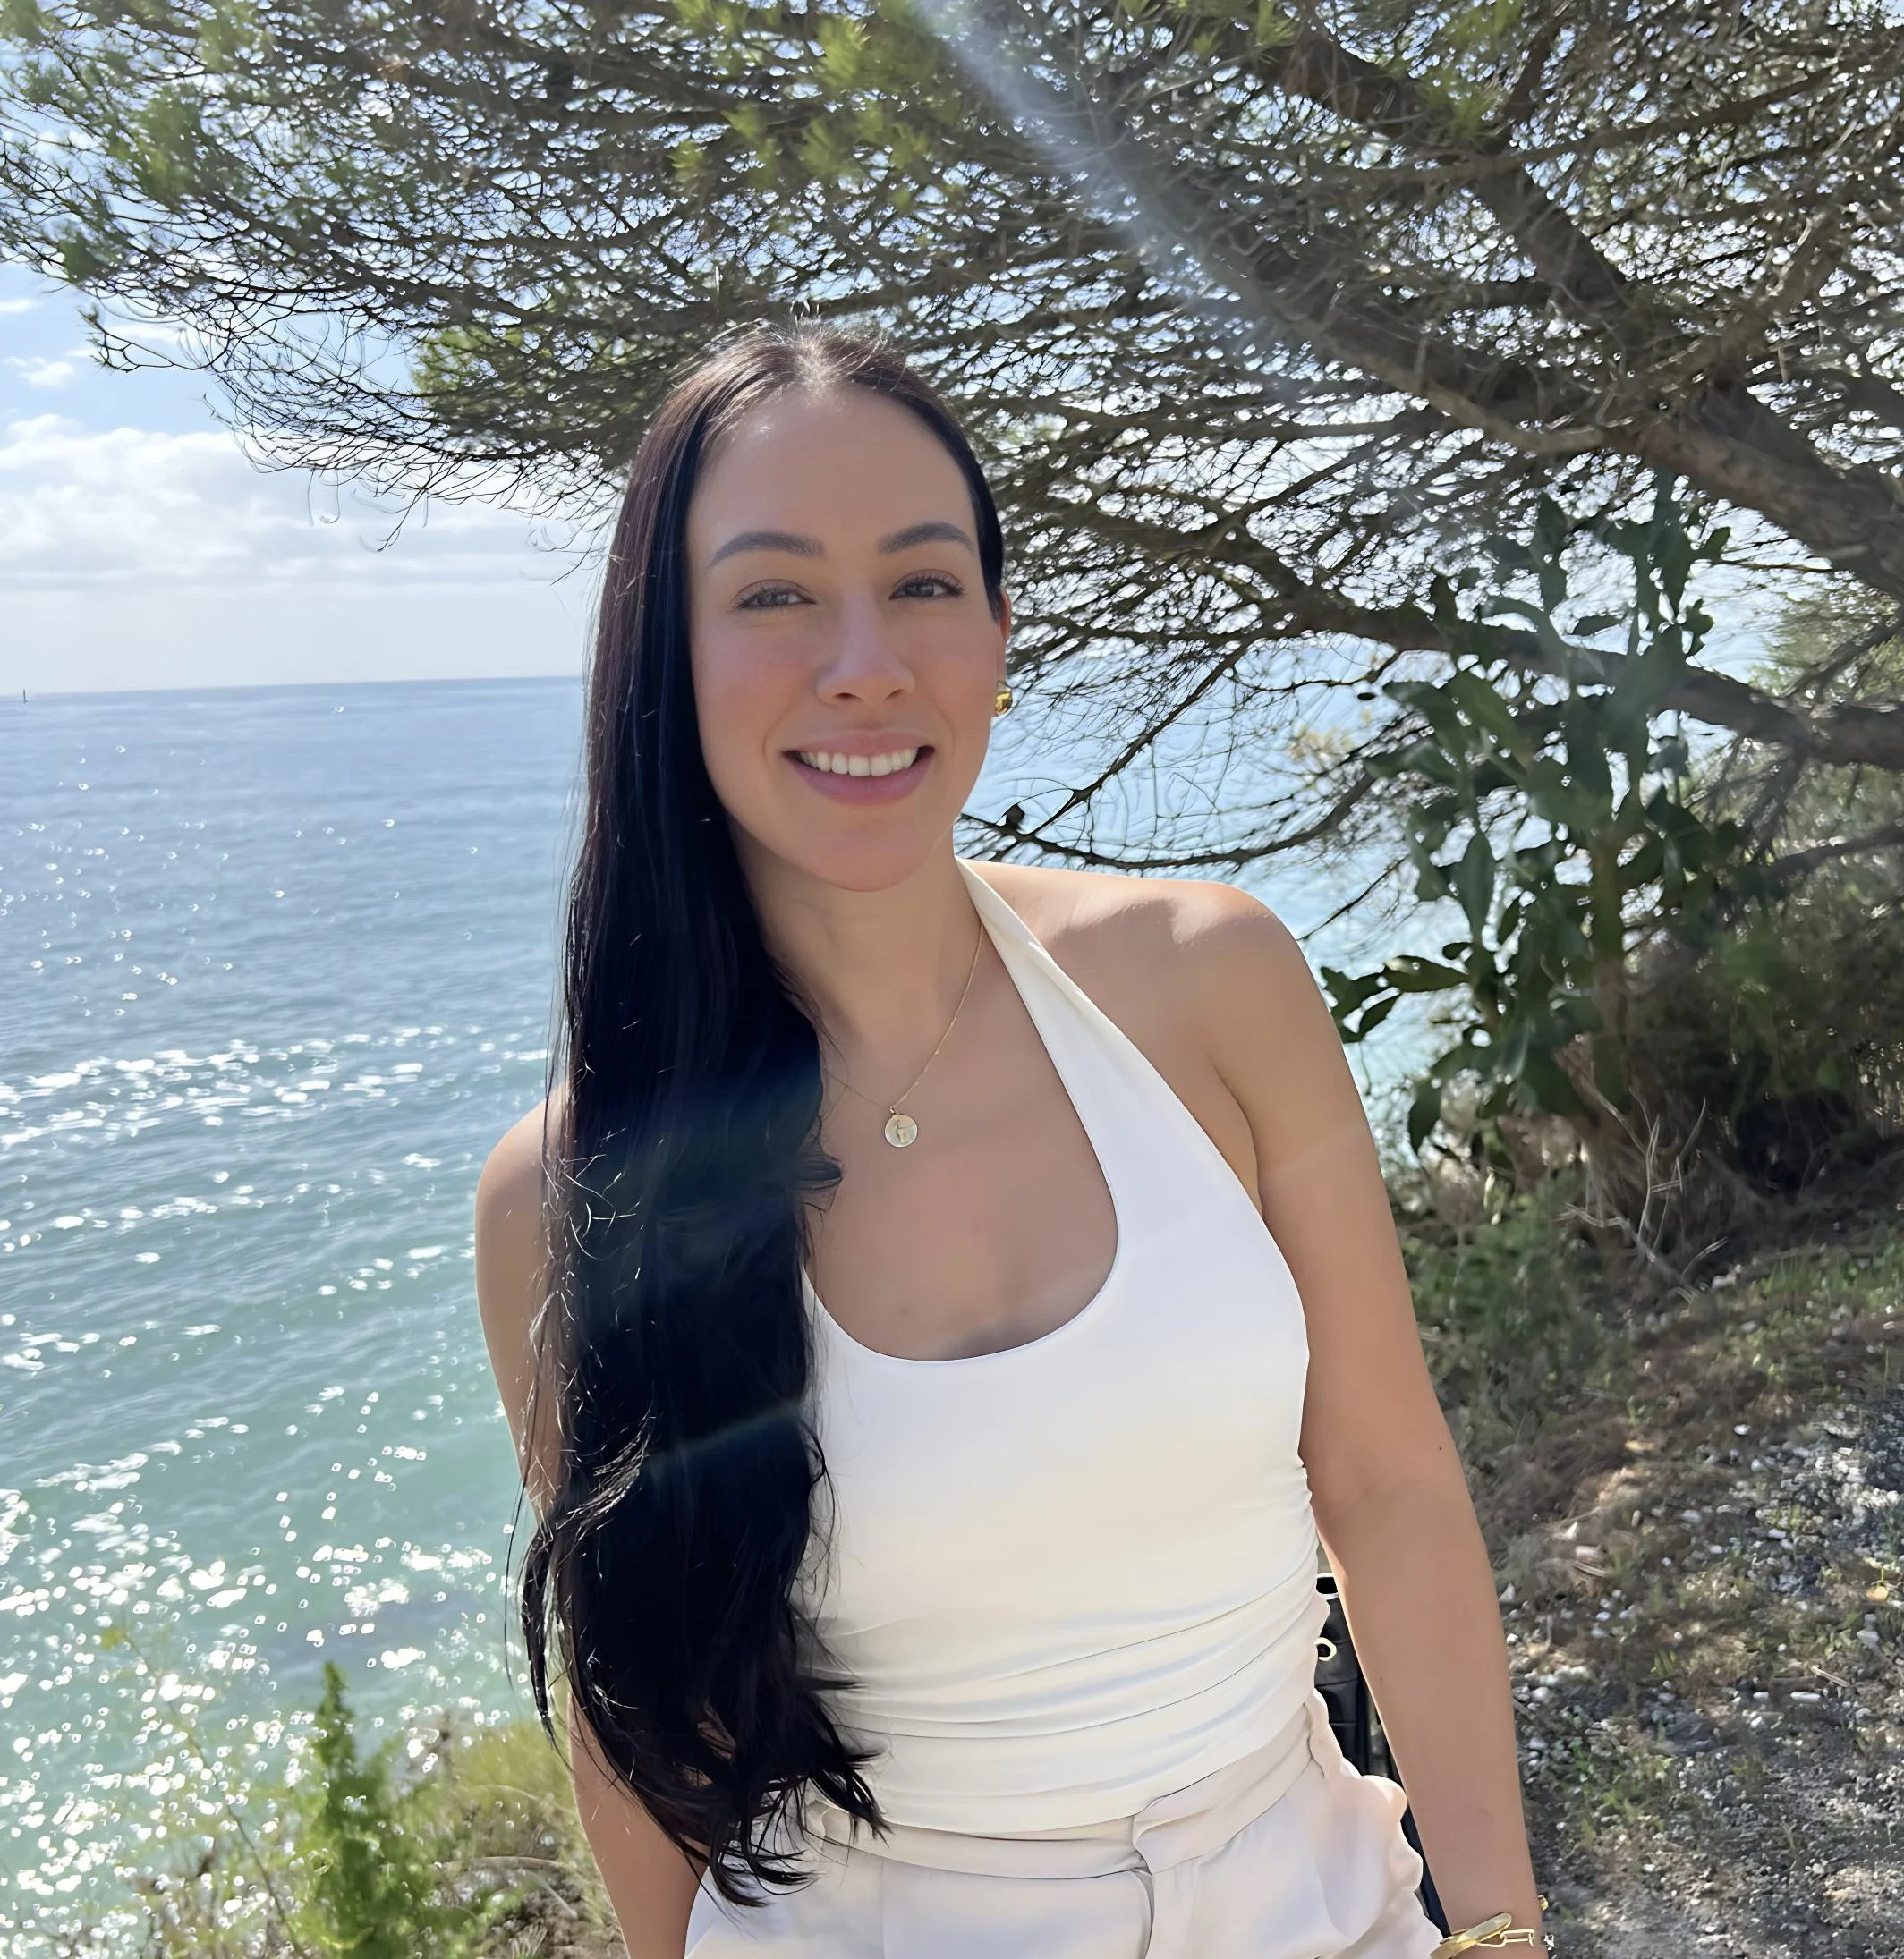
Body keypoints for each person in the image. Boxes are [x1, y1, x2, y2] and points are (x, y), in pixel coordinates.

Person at [473, 322, 1547, 1959]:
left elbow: (1388, 1481)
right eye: (772, 594)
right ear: (661, 655)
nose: (864, 661)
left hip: (1320, 1904)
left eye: (922, 583)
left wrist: (1499, 1930)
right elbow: (640, 1720)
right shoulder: (573, 1195)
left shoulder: (1209, 982)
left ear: (995, 631)